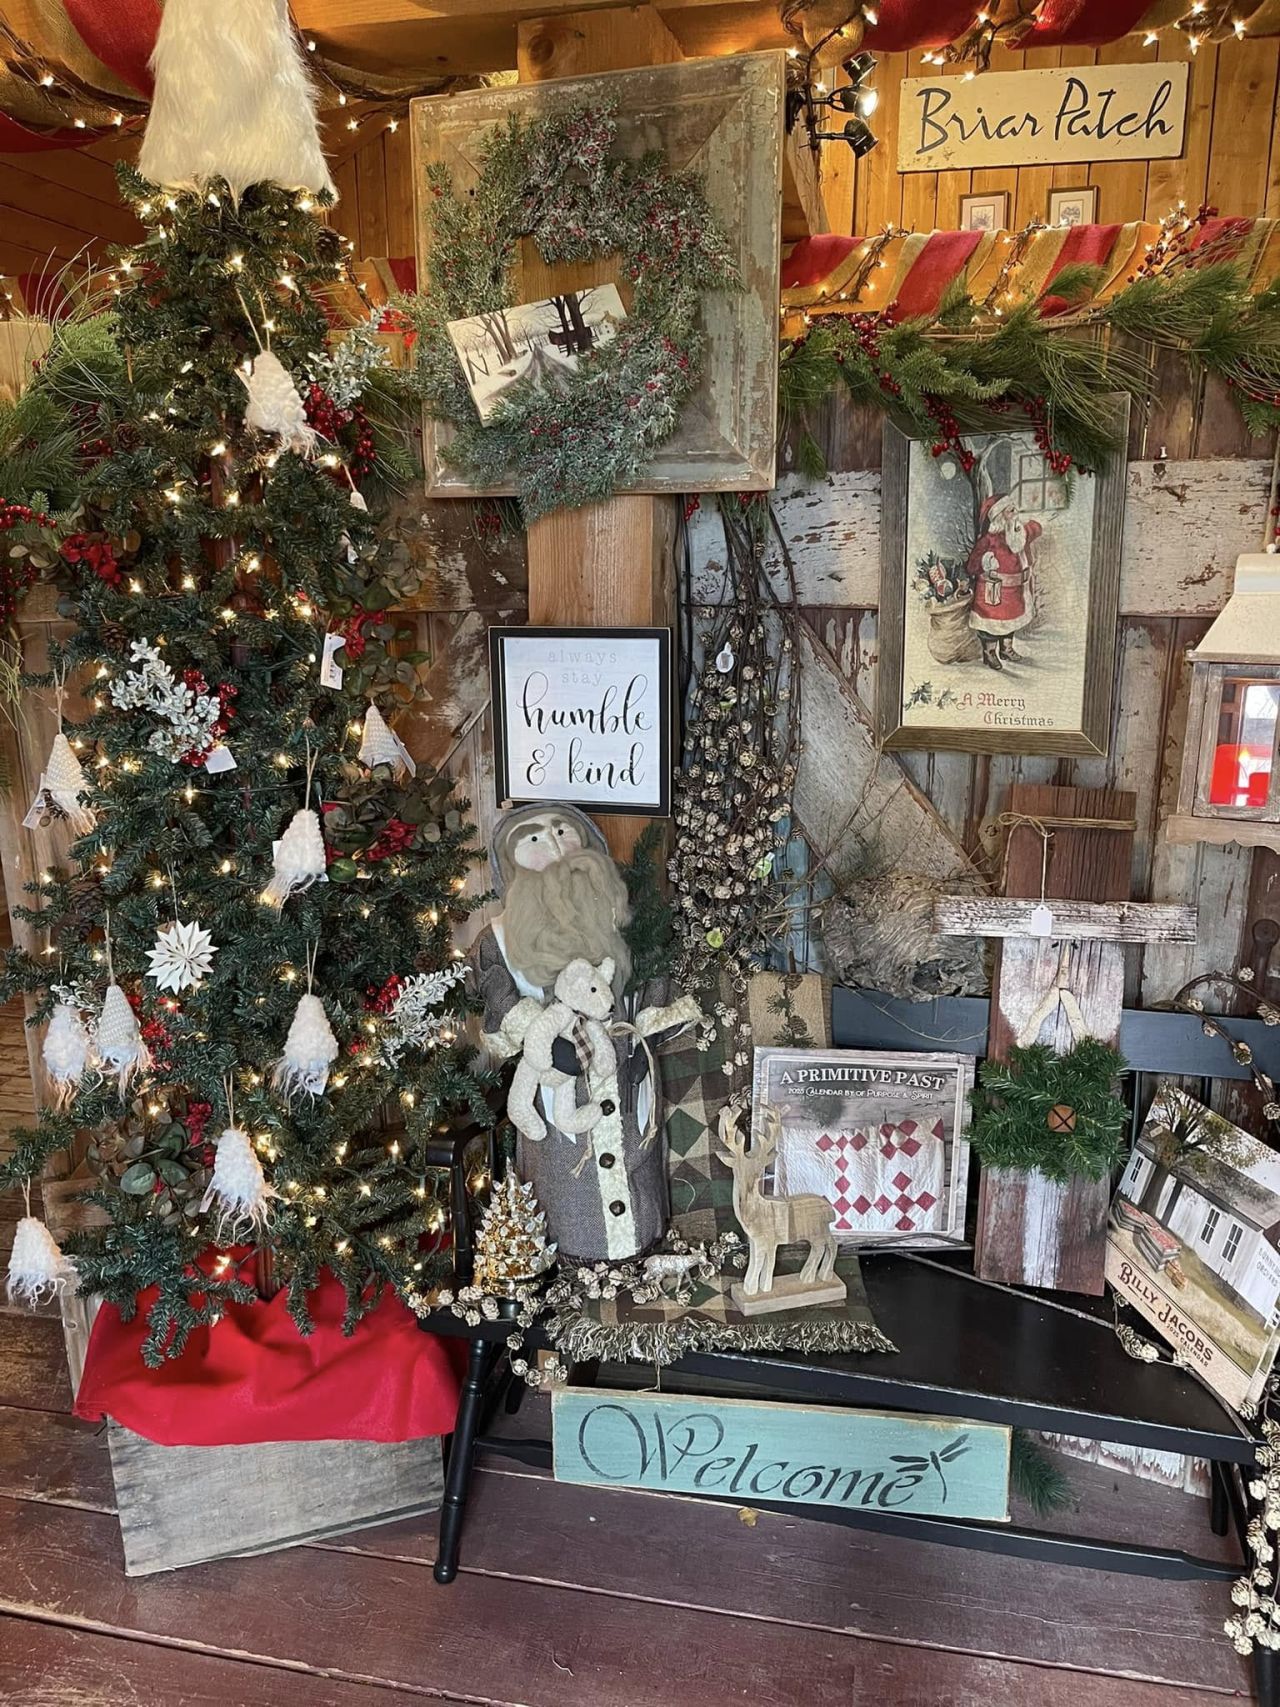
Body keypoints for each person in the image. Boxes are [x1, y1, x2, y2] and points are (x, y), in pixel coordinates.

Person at [473, 802, 697, 1264]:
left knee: (637, 1160)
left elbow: (655, 979)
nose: (553, 845)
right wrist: (539, 1038)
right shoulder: (498, 938)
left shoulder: (623, 917)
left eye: (562, 831)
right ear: (509, 861)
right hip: (556, 1092)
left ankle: (641, 1243)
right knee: (564, 1178)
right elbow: (497, 1002)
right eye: (532, 838)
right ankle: (573, 1256)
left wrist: (642, 1036)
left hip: (627, 1081)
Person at [966, 492, 1042, 671]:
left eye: (1015, 509)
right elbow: (971, 566)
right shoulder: (988, 540)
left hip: (1015, 591)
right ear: (999, 516)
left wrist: (1030, 523)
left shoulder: (1018, 534)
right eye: (1010, 510)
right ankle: (989, 653)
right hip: (993, 593)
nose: (1016, 513)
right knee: (991, 625)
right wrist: (985, 562)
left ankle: (1006, 649)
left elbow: (1037, 528)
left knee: (1011, 621)